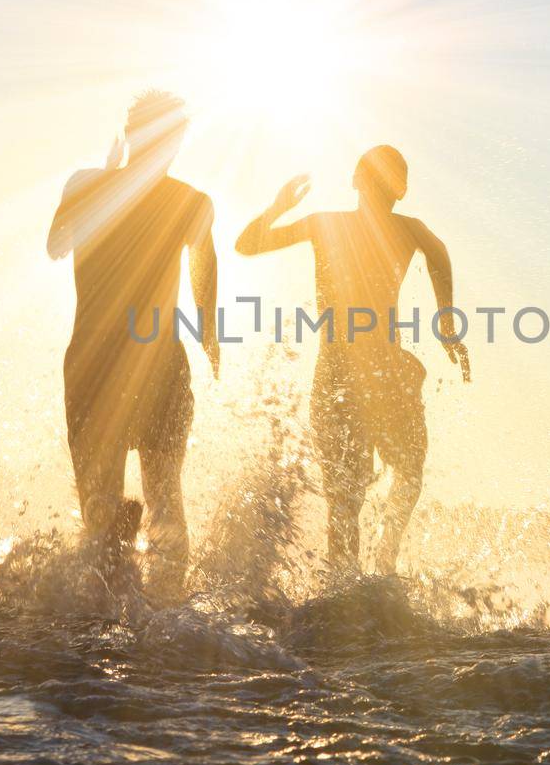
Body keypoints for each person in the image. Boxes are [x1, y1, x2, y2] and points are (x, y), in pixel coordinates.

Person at [236, 146, 467, 576]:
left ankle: (380, 566)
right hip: (347, 374)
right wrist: (276, 208)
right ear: (357, 182)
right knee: (348, 496)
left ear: (401, 190)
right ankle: (358, 581)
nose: (386, 190)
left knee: (398, 478)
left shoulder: (403, 229)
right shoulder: (334, 225)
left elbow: (439, 255)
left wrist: (447, 319)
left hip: (377, 370)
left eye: (393, 182)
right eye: (378, 179)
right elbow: (246, 244)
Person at [47, 90, 219, 601]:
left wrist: (105, 174)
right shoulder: (192, 201)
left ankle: (103, 619)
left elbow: (55, 246)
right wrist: (209, 333)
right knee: (166, 499)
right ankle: (166, 616)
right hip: (158, 362)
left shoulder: (85, 185)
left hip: (94, 365)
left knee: (98, 513)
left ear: (130, 133)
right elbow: (205, 270)